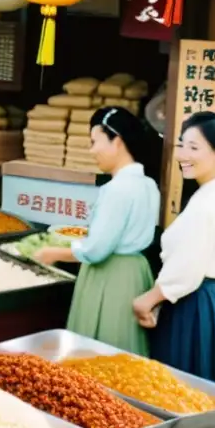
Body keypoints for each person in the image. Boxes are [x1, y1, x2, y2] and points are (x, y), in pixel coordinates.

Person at [35, 107, 161, 355]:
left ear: (118, 141)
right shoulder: (148, 185)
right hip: (135, 273)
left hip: (109, 275)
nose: (92, 151)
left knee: (100, 351)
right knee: (126, 349)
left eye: (95, 142)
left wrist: (53, 253)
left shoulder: (117, 189)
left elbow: (96, 250)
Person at [133, 112, 215, 385]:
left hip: (195, 304)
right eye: (181, 145)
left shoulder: (208, 204)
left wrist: (148, 299)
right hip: (211, 301)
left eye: (194, 147)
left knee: (183, 388)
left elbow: (187, 268)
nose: (182, 155)